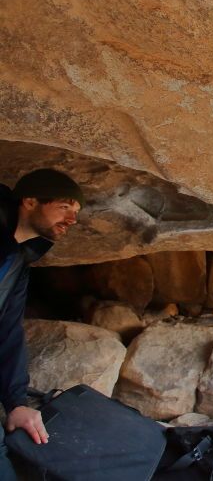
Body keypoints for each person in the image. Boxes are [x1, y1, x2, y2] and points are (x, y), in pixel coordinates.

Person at [0, 169, 84, 479]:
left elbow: (7, 331)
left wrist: (16, 403)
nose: (72, 219)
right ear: (30, 200)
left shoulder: (18, 262)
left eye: (76, 212)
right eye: (65, 207)